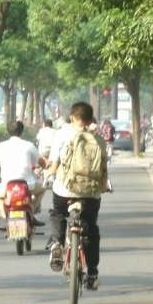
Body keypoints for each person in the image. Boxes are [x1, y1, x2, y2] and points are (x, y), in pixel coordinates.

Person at [45, 102, 108, 290]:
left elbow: (54, 162)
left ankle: (56, 242)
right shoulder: (97, 138)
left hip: (65, 191)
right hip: (90, 194)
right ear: (90, 119)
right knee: (92, 229)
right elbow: (103, 167)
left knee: (57, 212)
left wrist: (49, 175)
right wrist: (103, 186)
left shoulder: (62, 134)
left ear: (72, 117)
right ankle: (93, 272)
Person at [0, 120, 47, 227]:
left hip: (7, 186)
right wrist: (43, 167)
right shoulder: (29, 145)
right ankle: (32, 213)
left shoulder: (1, 146)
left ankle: (6, 216)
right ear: (21, 131)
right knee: (42, 189)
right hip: (28, 185)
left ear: (8, 132)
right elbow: (41, 162)